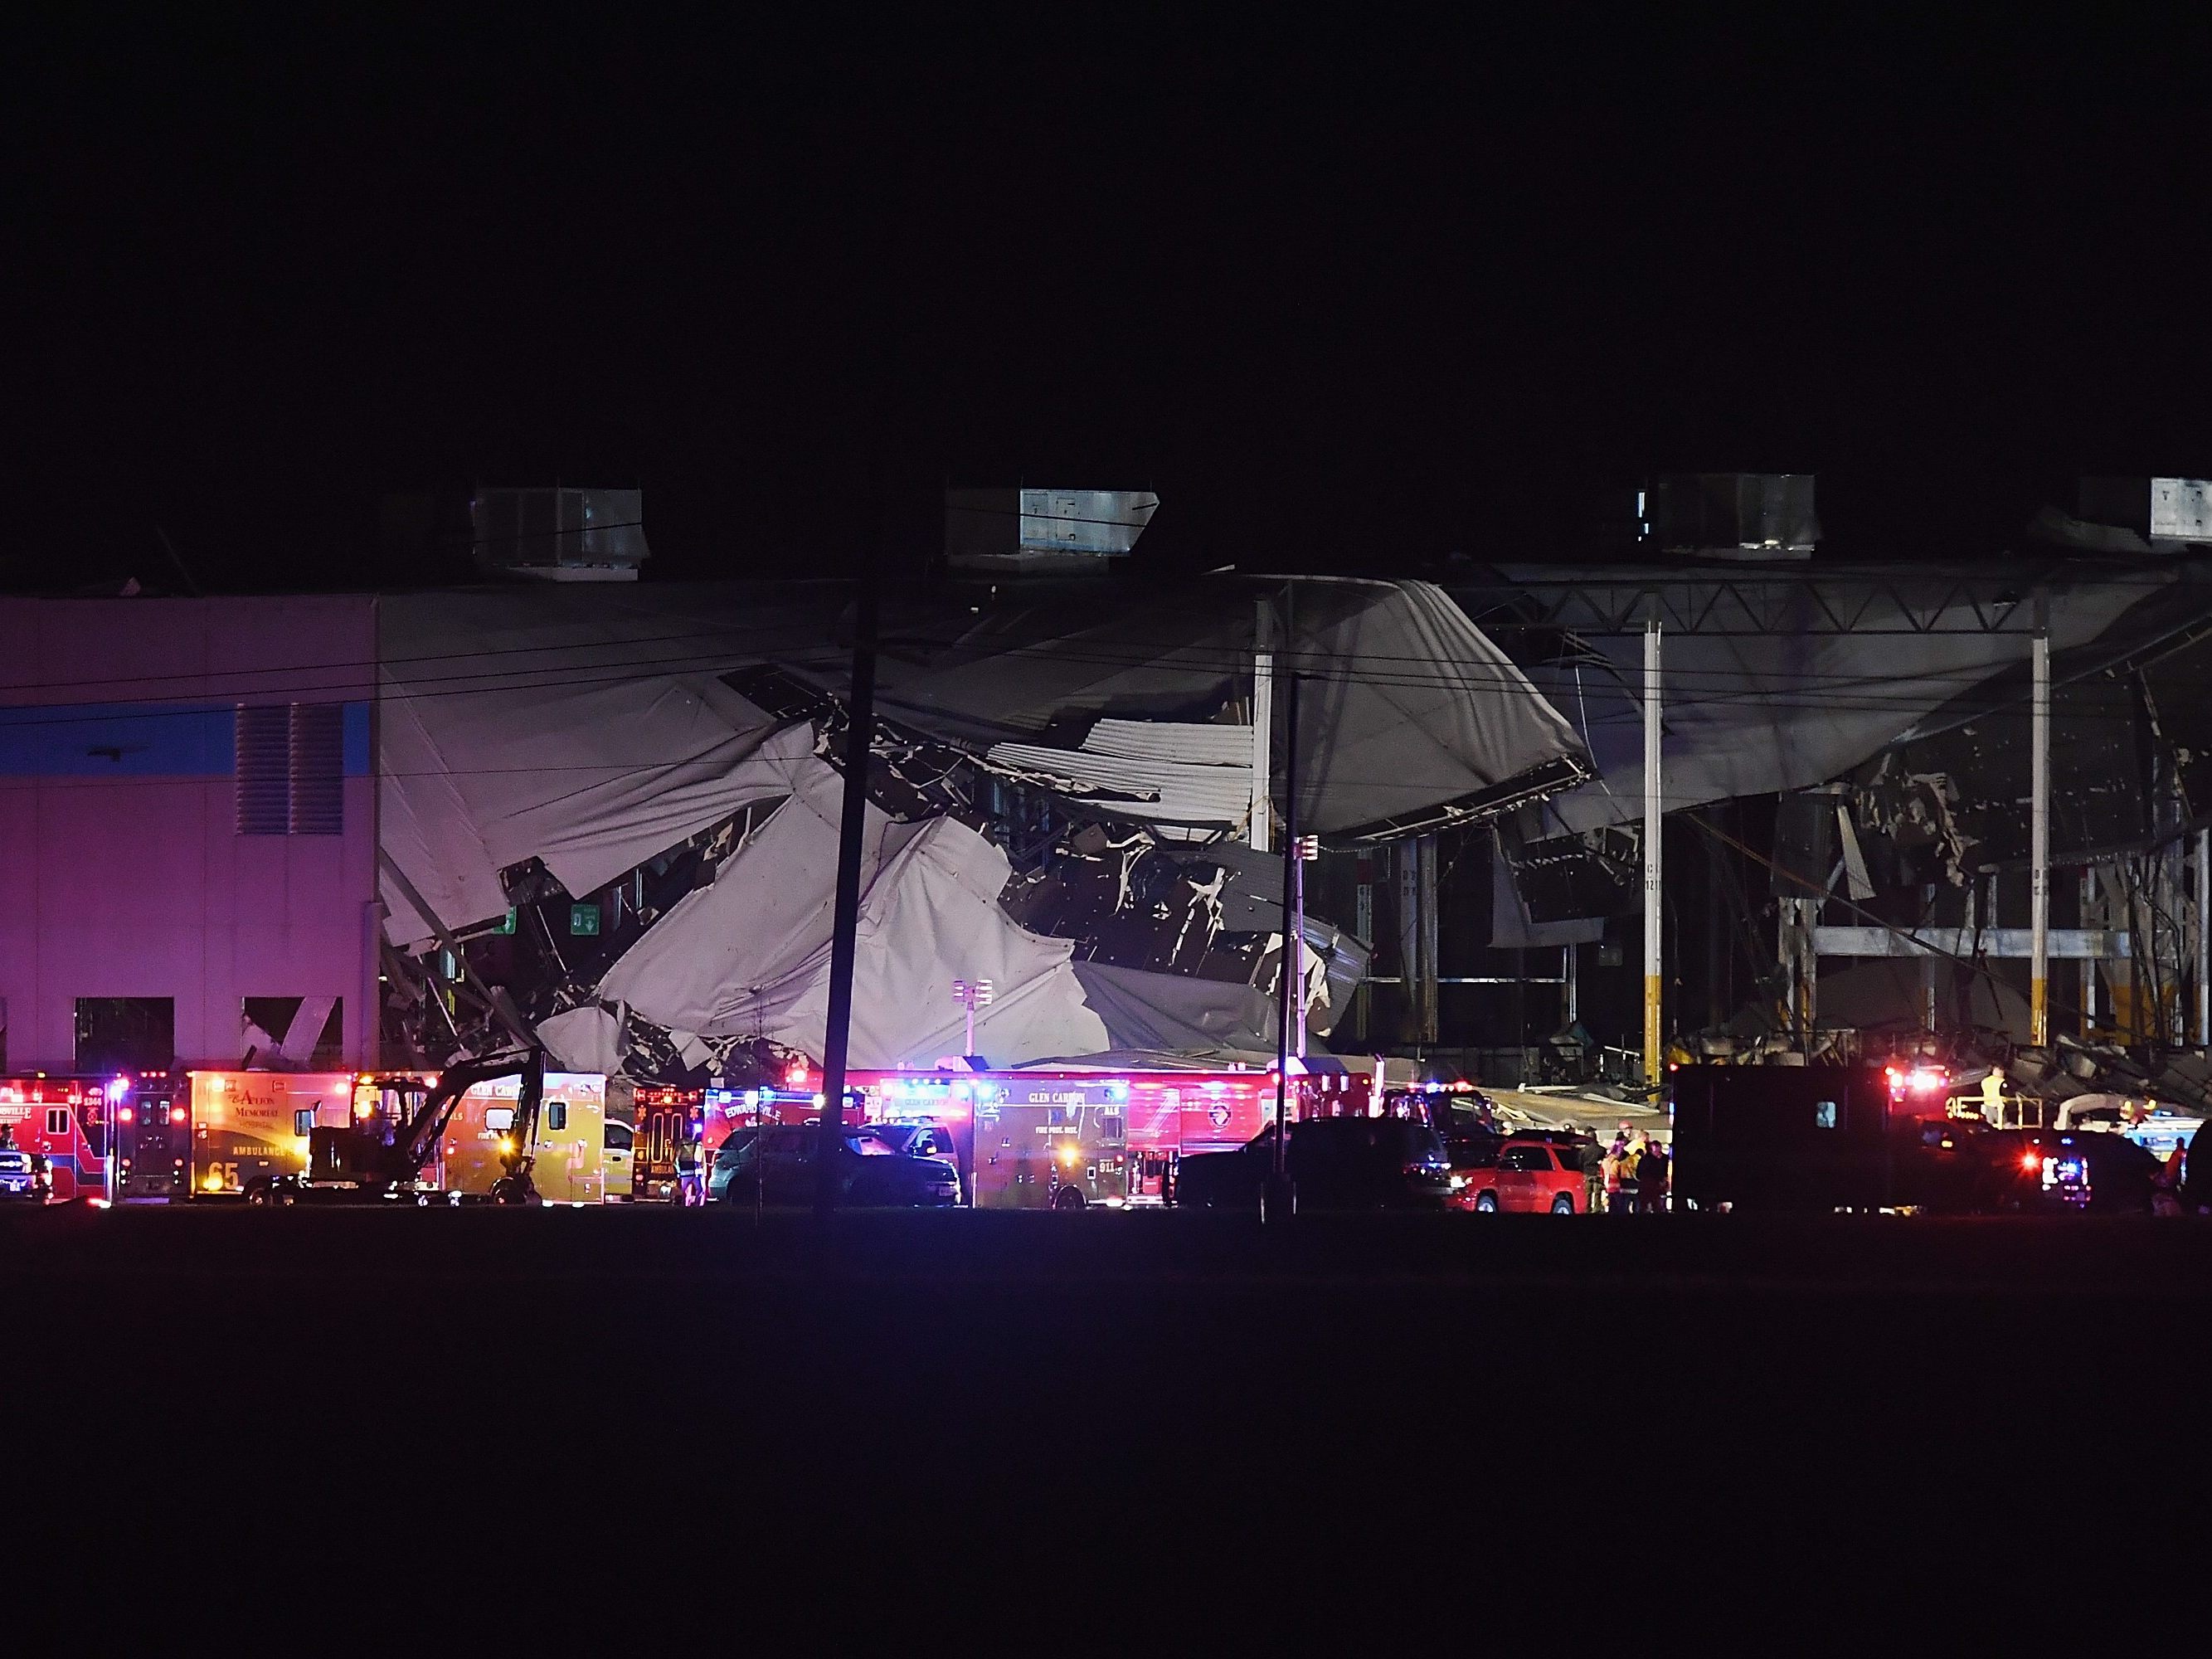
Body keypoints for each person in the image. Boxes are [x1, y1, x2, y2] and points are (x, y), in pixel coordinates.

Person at [1640, 1136, 1670, 1213]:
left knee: (1651, 1204)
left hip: (1650, 1184)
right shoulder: (1651, 1160)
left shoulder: (1663, 1158)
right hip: (1652, 1184)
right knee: (1654, 1203)